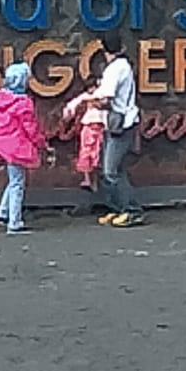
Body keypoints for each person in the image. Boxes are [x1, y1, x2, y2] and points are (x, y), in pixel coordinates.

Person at [0, 63, 48, 235]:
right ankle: (14, 223)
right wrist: (42, 144)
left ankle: (2, 214)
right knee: (18, 183)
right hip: (16, 146)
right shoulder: (24, 103)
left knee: (12, 180)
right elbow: (30, 128)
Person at [92, 31, 143, 228]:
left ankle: (132, 210)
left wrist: (87, 101)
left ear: (104, 49)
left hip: (120, 125)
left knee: (110, 171)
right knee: (115, 169)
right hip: (118, 123)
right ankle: (117, 209)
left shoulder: (115, 69)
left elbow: (105, 98)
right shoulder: (123, 66)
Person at [62, 79, 104, 191]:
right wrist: (68, 113)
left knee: (97, 154)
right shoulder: (84, 97)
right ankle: (87, 179)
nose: (91, 90)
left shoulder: (102, 96)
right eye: (89, 87)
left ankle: (95, 182)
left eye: (93, 87)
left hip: (101, 127)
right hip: (88, 127)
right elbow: (71, 106)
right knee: (86, 153)